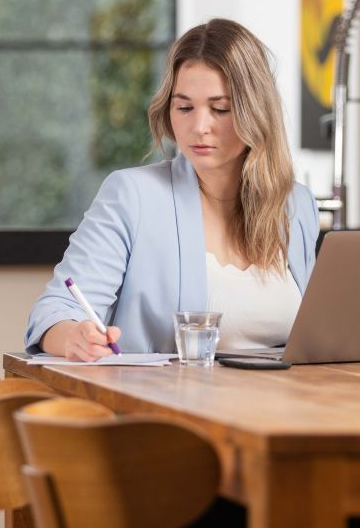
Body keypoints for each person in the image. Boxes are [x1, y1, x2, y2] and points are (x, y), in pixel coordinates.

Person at [24, 18, 319, 361]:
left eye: (220, 109)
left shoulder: (295, 205)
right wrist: (73, 338)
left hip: (282, 407)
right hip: (172, 405)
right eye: (184, 107)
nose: (199, 126)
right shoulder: (132, 196)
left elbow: (312, 338)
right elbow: (54, 309)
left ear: (256, 112)